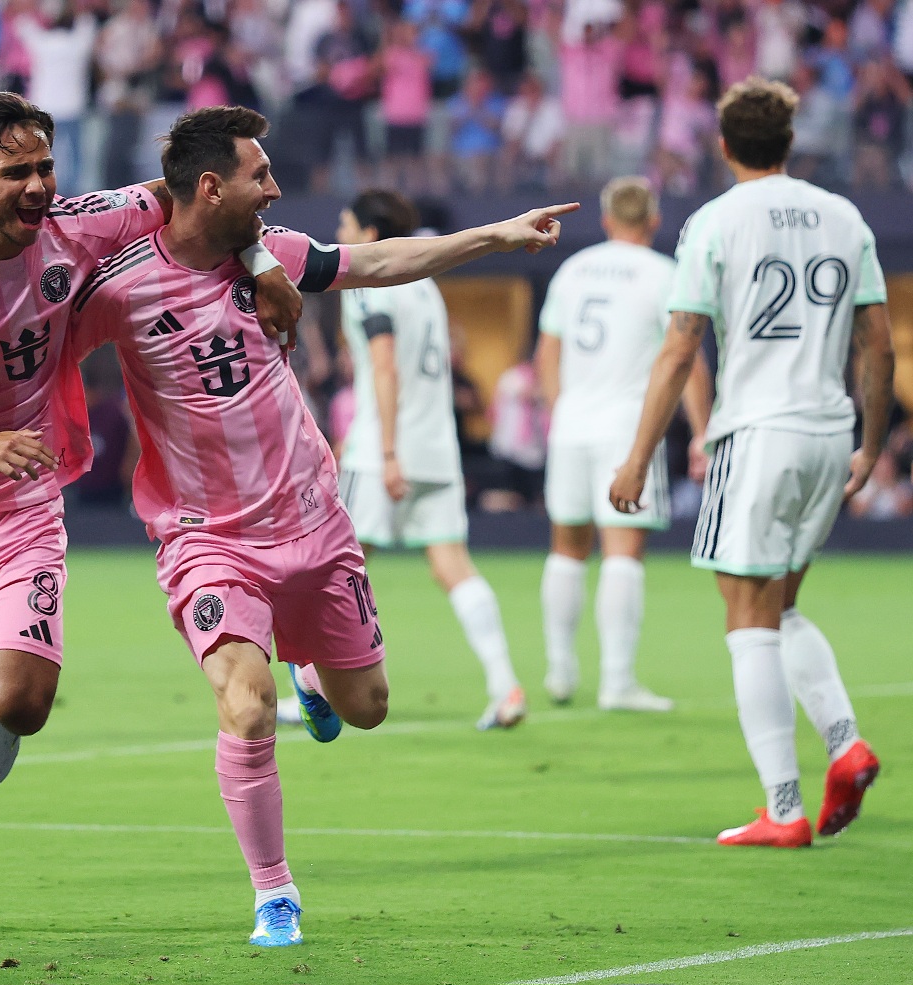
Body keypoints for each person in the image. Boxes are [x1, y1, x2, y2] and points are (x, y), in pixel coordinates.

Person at [69, 105, 575, 946]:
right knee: (246, 703)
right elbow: (39, 332)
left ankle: (313, 676)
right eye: (257, 175)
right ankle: (275, 893)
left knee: (368, 707)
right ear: (208, 186)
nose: (273, 188)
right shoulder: (120, 286)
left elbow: (377, 259)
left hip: (311, 518)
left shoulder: (271, 258)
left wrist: (497, 235)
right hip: (205, 536)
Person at [0, 92, 300, 940]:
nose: (38, 186)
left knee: (21, 703)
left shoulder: (82, 223)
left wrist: (266, 264)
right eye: (17, 172)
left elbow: (206, 196)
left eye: (47, 167)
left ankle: (1, 699)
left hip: (18, 507)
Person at [609, 78, 894, 848]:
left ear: (725, 145)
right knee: (782, 603)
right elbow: (880, 342)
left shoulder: (714, 221)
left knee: (745, 617)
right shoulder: (846, 217)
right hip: (830, 432)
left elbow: (679, 345)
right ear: (790, 144)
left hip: (758, 430)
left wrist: (639, 456)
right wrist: (870, 442)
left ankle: (784, 807)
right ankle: (845, 743)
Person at [331, 188, 526, 731]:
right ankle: (504, 683)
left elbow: (385, 365)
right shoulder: (427, 287)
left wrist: (387, 449)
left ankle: (314, 688)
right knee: (454, 566)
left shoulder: (368, 281)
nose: (341, 235)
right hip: (437, 448)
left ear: (371, 235)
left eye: (346, 225)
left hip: (384, 452)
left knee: (333, 568)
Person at [536, 177, 712, 712]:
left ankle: (560, 672)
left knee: (566, 547)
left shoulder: (574, 269)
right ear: (654, 221)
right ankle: (617, 682)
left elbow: (548, 352)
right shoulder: (666, 274)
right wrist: (702, 432)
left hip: (572, 422)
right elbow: (689, 361)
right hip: (628, 429)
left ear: (607, 219)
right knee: (623, 549)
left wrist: (558, 411)